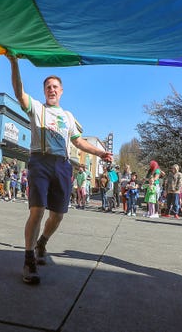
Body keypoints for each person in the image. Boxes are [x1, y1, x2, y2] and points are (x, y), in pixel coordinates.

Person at [8, 54, 113, 285]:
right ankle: (28, 260)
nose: (51, 90)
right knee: (37, 210)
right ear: (44, 91)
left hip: (63, 165)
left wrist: (99, 153)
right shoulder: (36, 107)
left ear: (62, 91)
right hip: (40, 161)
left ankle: (42, 242)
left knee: (58, 215)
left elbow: (78, 141)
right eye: (48, 87)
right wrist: (14, 63)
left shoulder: (68, 116)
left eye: (55, 87)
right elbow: (18, 92)